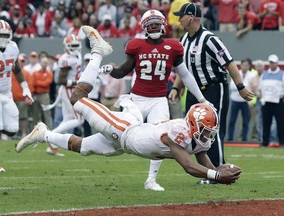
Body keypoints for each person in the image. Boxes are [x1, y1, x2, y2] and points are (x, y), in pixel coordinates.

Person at [15, 32, 241, 185]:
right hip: (124, 130)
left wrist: (220, 170)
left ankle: (43, 134)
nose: (208, 134)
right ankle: (97, 52)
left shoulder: (195, 137)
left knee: (82, 147)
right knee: (77, 98)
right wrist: (217, 176)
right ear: (193, 124)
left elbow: (206, 163)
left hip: (126, 143)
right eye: (205, 128)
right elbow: (190, 167)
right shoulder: (178, 133)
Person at [98, 10, 211, 191]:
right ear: (144, 27)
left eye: (157, 23)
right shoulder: (136, 45)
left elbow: (186, 76)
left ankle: (151, 180)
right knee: (118, 134)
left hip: (158, 100)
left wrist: (202, 99)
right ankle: (90, 145)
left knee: (161, 138)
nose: (154, 27)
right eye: (151, 24)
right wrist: (109, 69)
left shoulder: (173, 46)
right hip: (137, 98)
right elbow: (121, 72)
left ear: (163, 25)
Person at [170, 3, 255, 184]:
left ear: (191, 17)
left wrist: (240, 87)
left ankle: (218, 172)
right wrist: (177, 88)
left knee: (213, 130)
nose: (179, 19)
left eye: (181, 16)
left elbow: (229, 63)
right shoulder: (184, 39)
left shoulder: (210, 39)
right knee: (193, 131)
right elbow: (183, 69)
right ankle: (209, 172)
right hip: (194, 90)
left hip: (214, 87)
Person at [0, 20, 34, 172]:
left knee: (12, 129)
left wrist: (25, 88)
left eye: (7, 35)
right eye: (2, 35)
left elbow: (17, 69)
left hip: (6, 93)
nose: (5, 38)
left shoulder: (13, 48)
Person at [45, 34, 84, 156]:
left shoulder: (76, 56)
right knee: (79, 120)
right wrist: (77, 82)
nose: (74, 48)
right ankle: (49, 136)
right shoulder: (67, 59)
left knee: (67, 119)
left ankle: (52, 145)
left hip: (72, 89)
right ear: (66, 47)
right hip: (69, 89)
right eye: (72, 46)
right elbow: (60, 80)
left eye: (76, 45)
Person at [227, 58, 257, 142]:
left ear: (249, 66)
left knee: (245, 121)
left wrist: (241, 87)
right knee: (232, 120)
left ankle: (244, 139)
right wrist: (244, 87)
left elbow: (253, 88)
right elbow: (232, 87)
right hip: (235, 100)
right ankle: (230, 138)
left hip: (245, 101)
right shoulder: (236, 73)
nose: (245, 67)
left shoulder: (252, 75)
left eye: (247, 65)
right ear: (241, 65)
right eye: (244, 65)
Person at [259, 54, 284, 148]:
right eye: (270, 62)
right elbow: (260, 88)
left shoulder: (282, 74)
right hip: (266, 102)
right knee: (266, 123)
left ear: (277, 63)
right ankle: (265, 142)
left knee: (280, 123)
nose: (271, 64)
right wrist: (262, 98)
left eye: (273, 63)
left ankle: (282, 142)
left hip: (278, 102)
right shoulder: (264, 74)